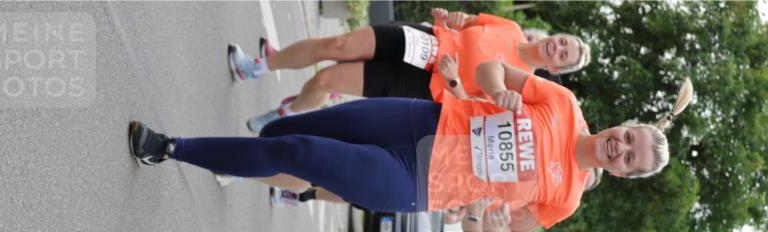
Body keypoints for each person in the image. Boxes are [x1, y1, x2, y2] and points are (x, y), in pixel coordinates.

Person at [126, 70, 692, 232]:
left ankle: (171, 148)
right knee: (290, 131)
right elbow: (489, 70)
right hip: (421, 120)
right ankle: (234, 156)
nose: (621, 149)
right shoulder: (564, 103)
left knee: (298, 151)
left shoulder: (564, 198)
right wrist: (498, 90)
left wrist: (485, 220)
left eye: (629, 160)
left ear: (624, 174)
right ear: (624, 124)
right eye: (629, 138)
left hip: (415, 181)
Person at [227, 7, 590, 124]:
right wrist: (452, 18)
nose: (557, 47)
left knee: (328, 78)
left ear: (555, 71)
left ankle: (284, 113)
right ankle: (257, 66)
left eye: (563, 55)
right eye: (562, 41)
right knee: (337, 44)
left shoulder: (519, 85)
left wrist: (451, 82)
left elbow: (470, 109)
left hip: (422, 83)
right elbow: (466, 24)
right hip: (423, 39)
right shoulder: (509, 27)